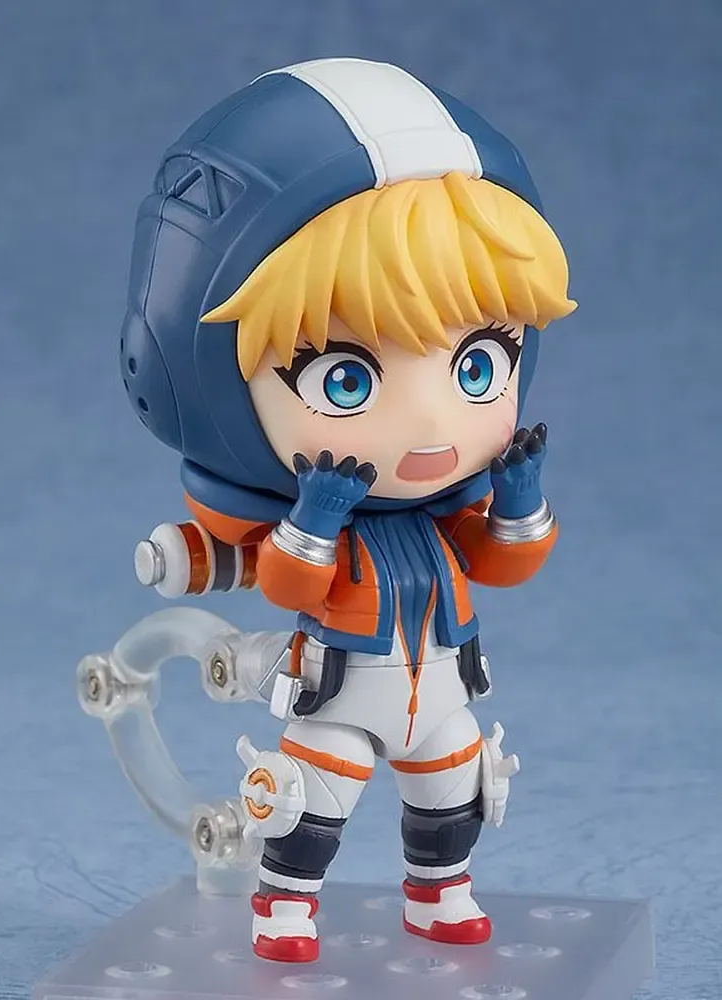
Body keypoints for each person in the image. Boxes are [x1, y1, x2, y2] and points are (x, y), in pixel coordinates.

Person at [121, 57, 576, 962]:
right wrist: (315, 521)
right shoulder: (313, 513)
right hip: (337, 687)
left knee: (454, 790)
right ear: (201, 381)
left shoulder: (444, 511)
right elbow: (290, 585)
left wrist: (520, 500)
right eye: (347, 378)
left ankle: (439, 893)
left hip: (441, 681)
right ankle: (284, 908)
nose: (432, 423)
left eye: (477, 364)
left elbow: (500, 564)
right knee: (310, 805)